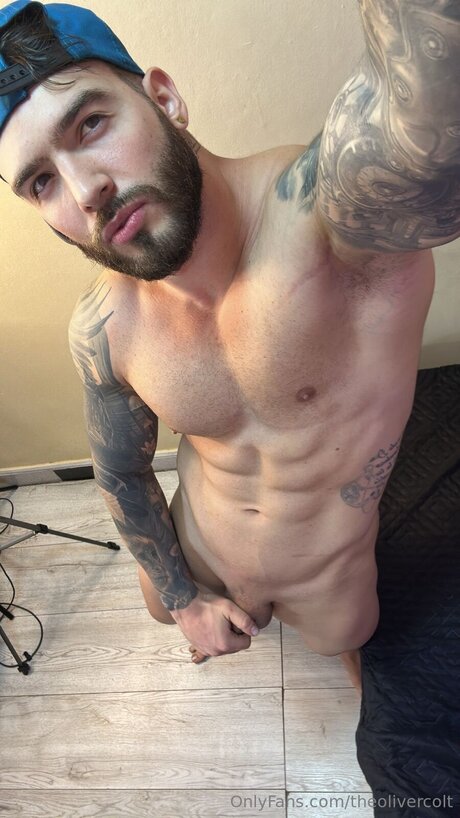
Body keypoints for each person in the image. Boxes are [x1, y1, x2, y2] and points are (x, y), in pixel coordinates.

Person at [1, 1, 457, 692]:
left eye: (91, 123)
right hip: (199, 547)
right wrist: (184, 600)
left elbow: (427, 102)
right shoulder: (104, 326)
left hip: (327, 575)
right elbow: (121, 473)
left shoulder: (335, 219)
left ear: (165, 98)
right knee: (157, 606)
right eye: (41, 182)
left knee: (347, 637)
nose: (85, 190)